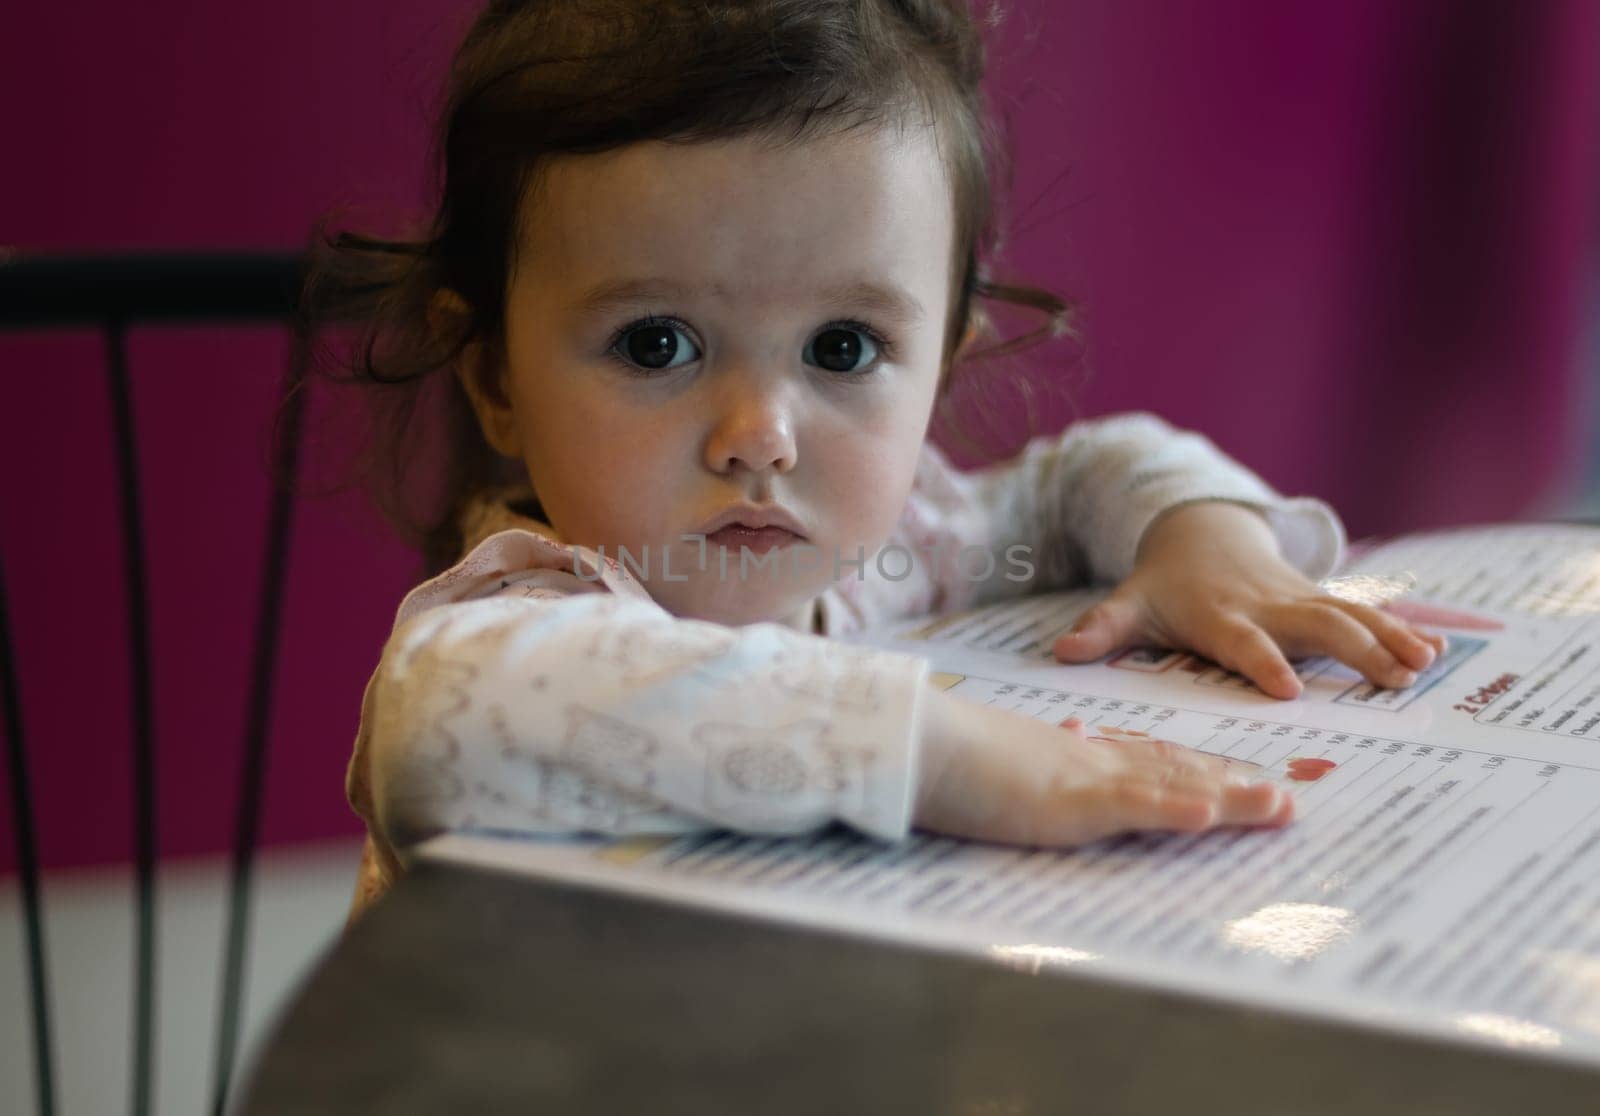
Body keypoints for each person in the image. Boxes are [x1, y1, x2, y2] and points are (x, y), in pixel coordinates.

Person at [304, 0, 1446, 919]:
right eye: (656, 344)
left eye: (842, 348)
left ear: (941, 367)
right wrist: (943, 754)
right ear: (500, 379)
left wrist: (1203, 536)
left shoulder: (898, 551)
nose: (760, 433)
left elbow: (1079, 474)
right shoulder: (529, 607)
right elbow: (444, 723)